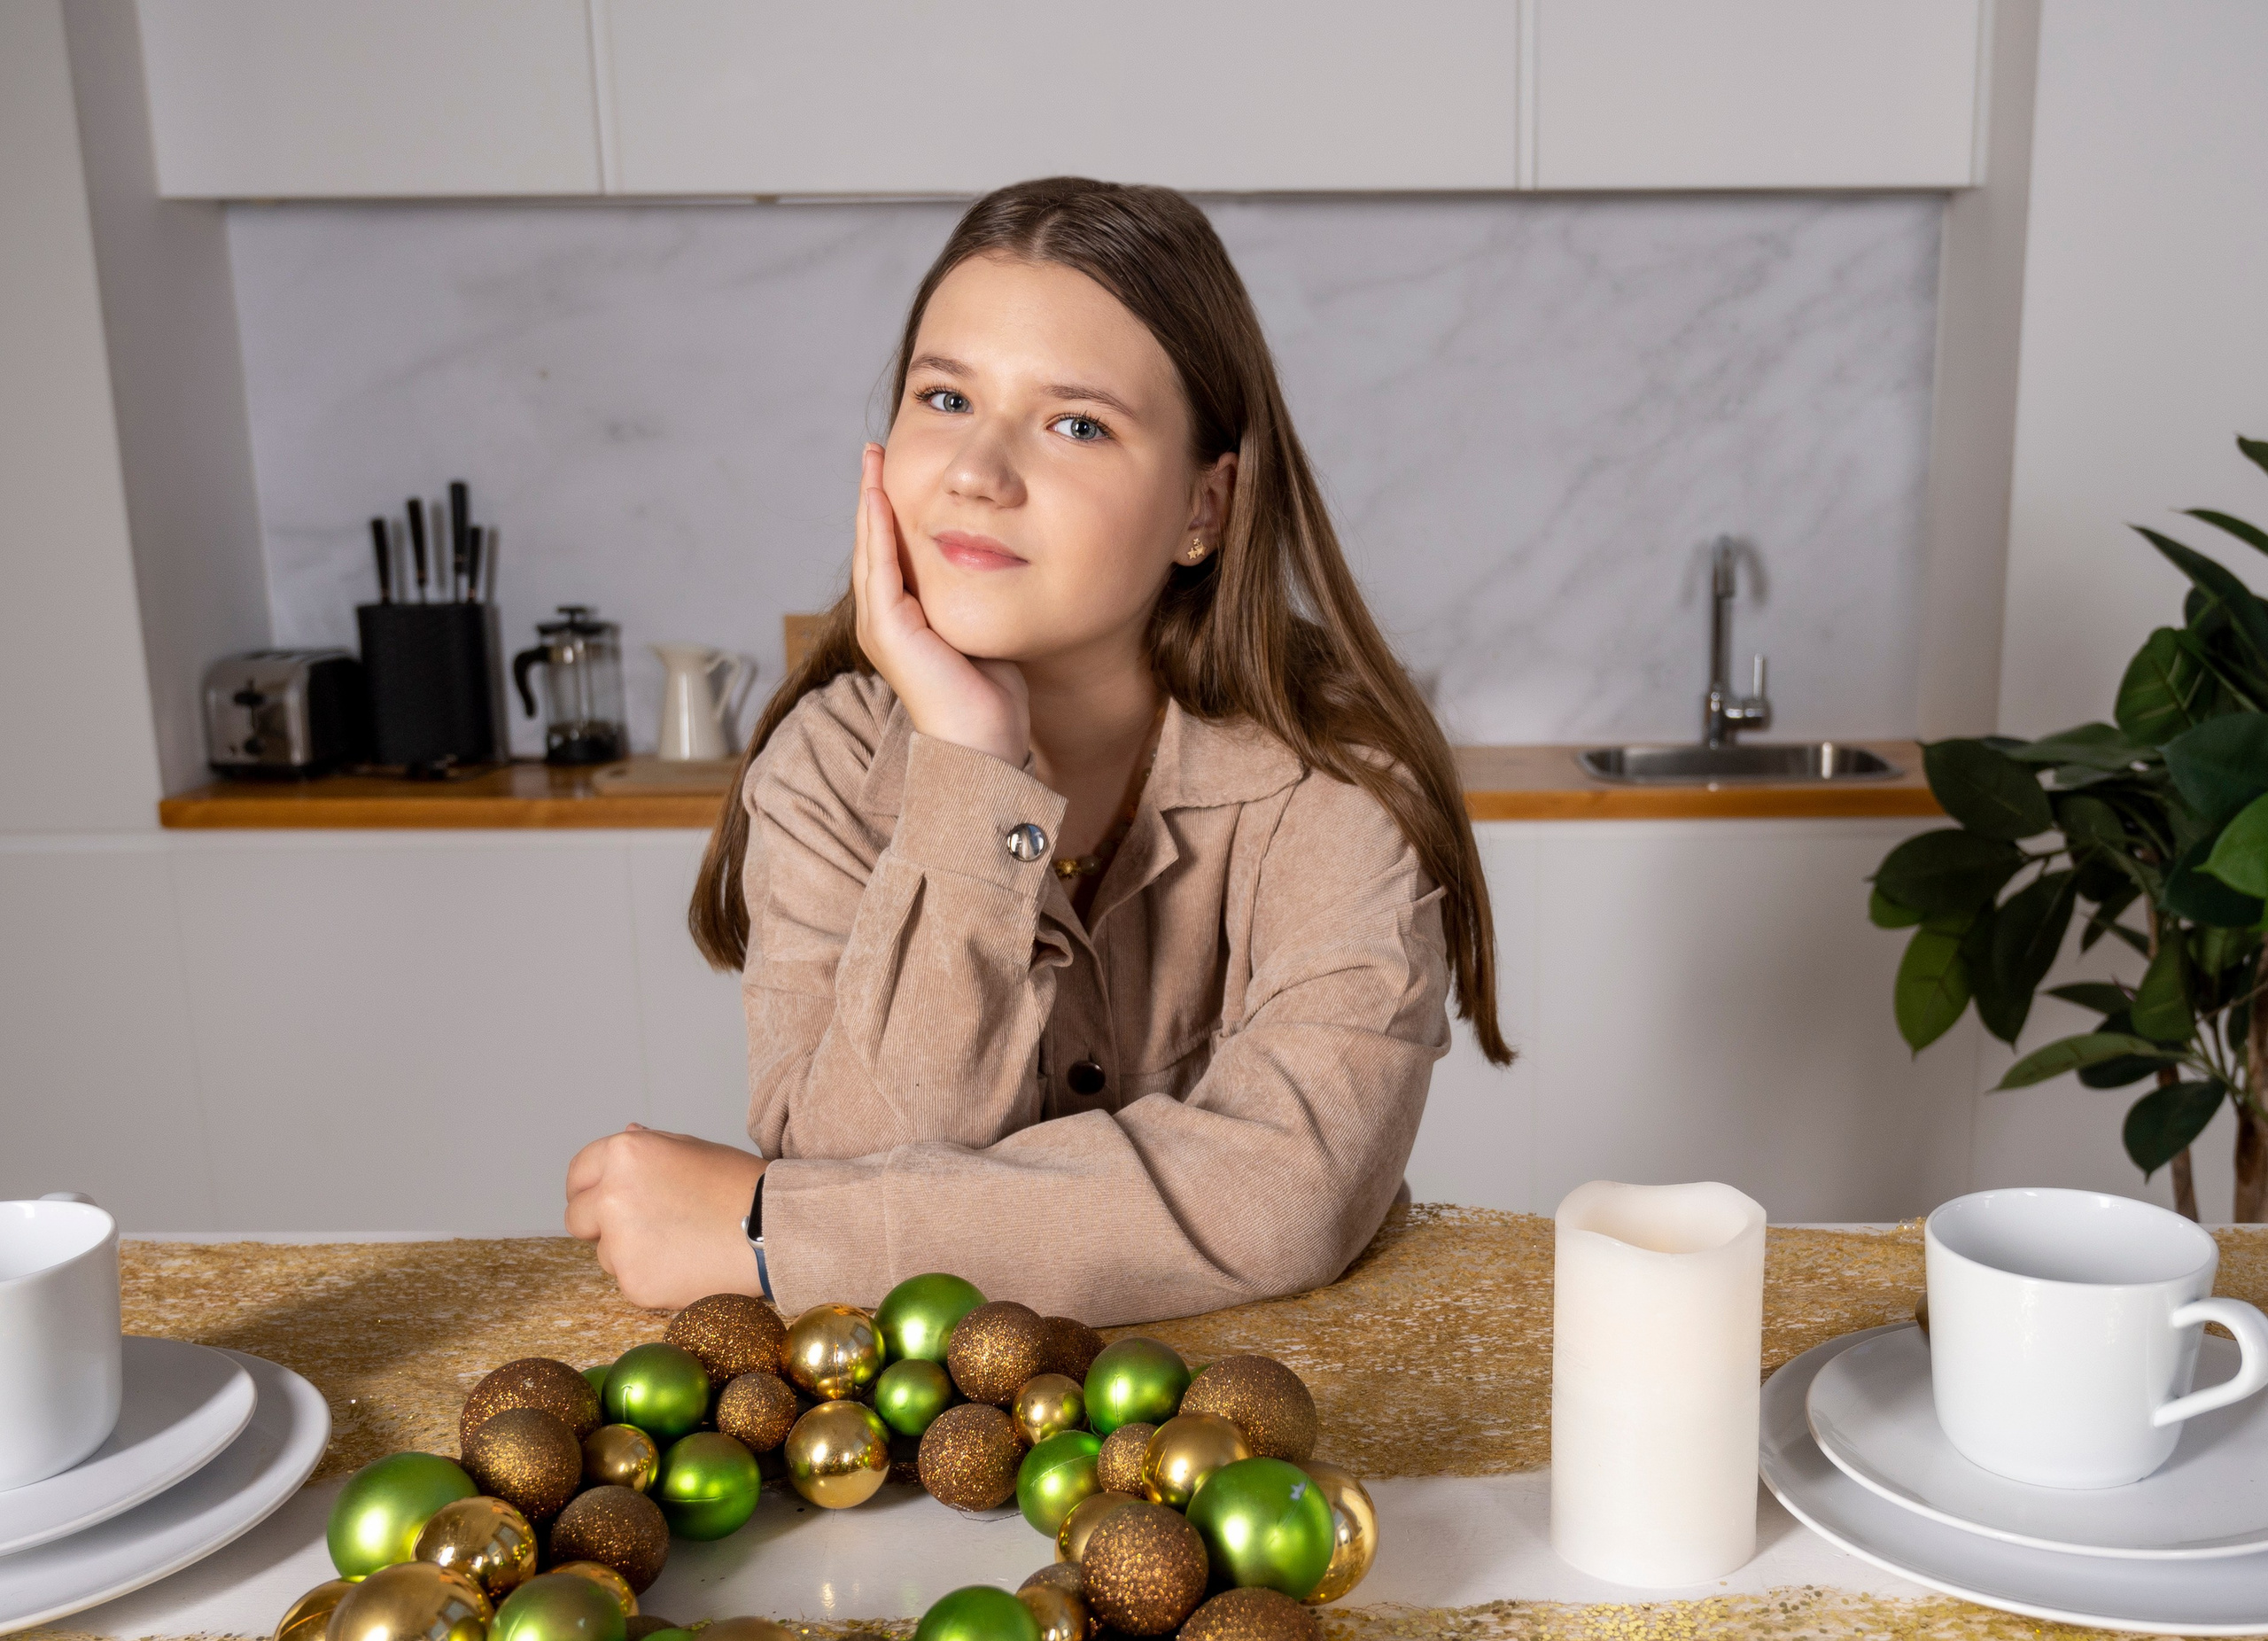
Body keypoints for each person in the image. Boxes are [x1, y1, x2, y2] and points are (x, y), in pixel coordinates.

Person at [566, 176, 1510, 1325]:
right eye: (945, 398)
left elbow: (1292, 1196)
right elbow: (854, 1162)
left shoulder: (1339, 777)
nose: (977, 472)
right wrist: (973, 770)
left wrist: (776, 1231)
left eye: (1077, 424)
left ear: (1205, 508)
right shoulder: (825, 770)